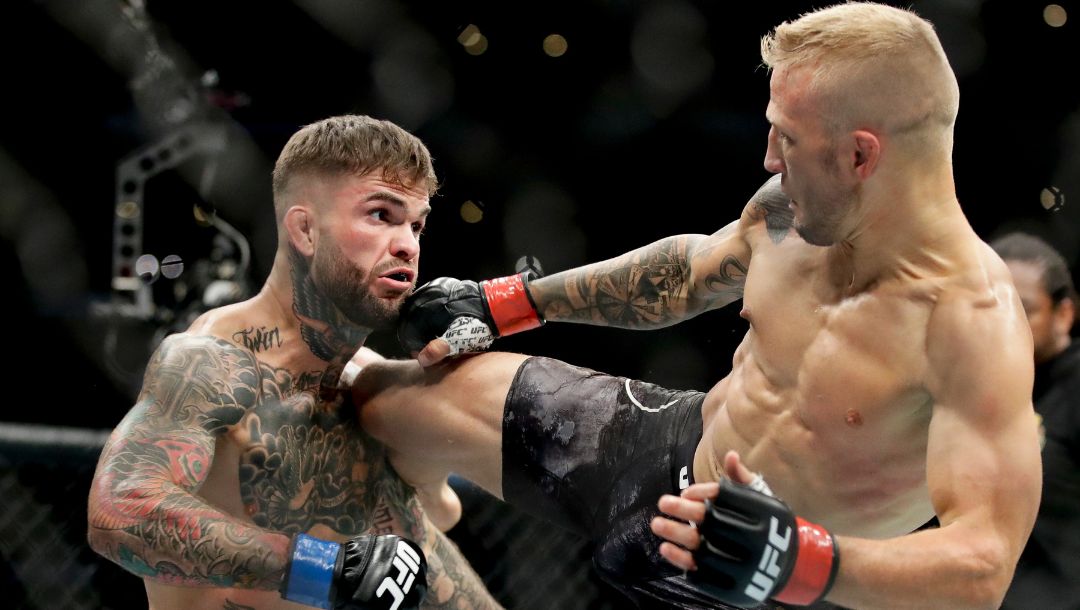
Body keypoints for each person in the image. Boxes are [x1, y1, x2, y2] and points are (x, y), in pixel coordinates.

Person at [353, 3, 1042, 609]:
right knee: (376, 405)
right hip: (672, 447)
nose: (769, 157)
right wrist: (508, 303)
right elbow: (688, 275)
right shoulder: (788, 214)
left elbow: (984, 564)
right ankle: (429, 516)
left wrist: (799, 560)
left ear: (861, 156)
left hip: (774, 584)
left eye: (789, 137)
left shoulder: (970, 321)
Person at [87, 115, 499, 610]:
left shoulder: (368, 383)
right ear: (305, 229)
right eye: (380, 215)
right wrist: (316, 570)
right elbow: (120, 511)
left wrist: (434, 411)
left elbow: (422, 537)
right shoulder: (212, 364)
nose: (408, 244)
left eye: (416, 224)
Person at [992, 232, 1080, 610]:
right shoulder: (975, 381)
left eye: (1024, 308)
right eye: (990, 304)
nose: (1004, 320)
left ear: (1063, 313)